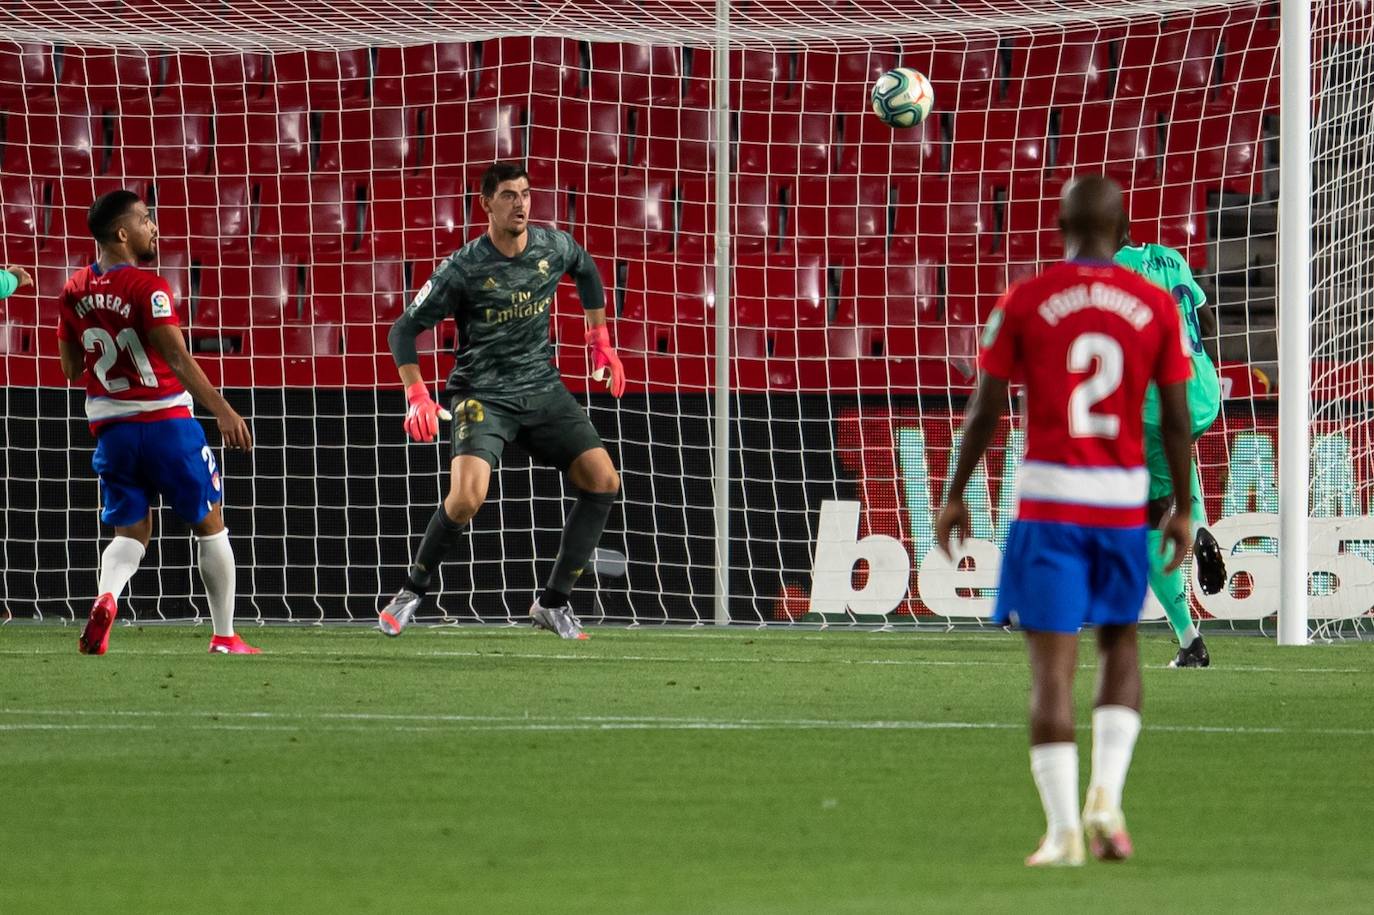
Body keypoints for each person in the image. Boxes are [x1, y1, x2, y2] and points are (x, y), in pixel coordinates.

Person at [936, 176, 1194, 867]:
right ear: (1126, 230)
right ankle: (1106, 795)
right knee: (1122, 648)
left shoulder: (1028, 298)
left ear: (1059, 225)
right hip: (1119, 504)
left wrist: (957, 490)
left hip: (1049, 505)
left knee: (1052, 671)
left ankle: (1061, 832)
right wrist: (1188, 506)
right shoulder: (1155, 305)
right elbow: (1176, 419)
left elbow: (986, 405)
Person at [378, 162, 624, 640]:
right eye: (509, 195)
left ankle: (553, 603)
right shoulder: (463, 267)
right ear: (486, 205)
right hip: (483, 395)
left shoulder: (553, 246)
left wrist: (599, 337)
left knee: (603, 481)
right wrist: (416, 393)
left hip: (543, 389)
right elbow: (402, 330)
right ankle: (411, 592)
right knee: (467, 499)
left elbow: (587, 269)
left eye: (526, 194)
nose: (521, 203)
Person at [56, 190, 258, 655]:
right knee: (211, 526)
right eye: (146, 220)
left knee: (130, 533)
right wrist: (223, 410)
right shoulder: (150, 288)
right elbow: (178, 357)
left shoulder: (72, 289)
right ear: (122, 233)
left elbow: (70, 370)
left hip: (112, 432)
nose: (155, 228)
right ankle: (225, 636)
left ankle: (108, 597)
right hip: (167, 424)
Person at [1115, 233, 1227, 668]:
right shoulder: (1170, 257)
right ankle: (1190, 643)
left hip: (1157, 402)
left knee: (1149, 517)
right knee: (1174, 473)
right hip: (1202, 390)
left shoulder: (1112, 273)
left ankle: (1195, 526)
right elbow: (1209, 322)